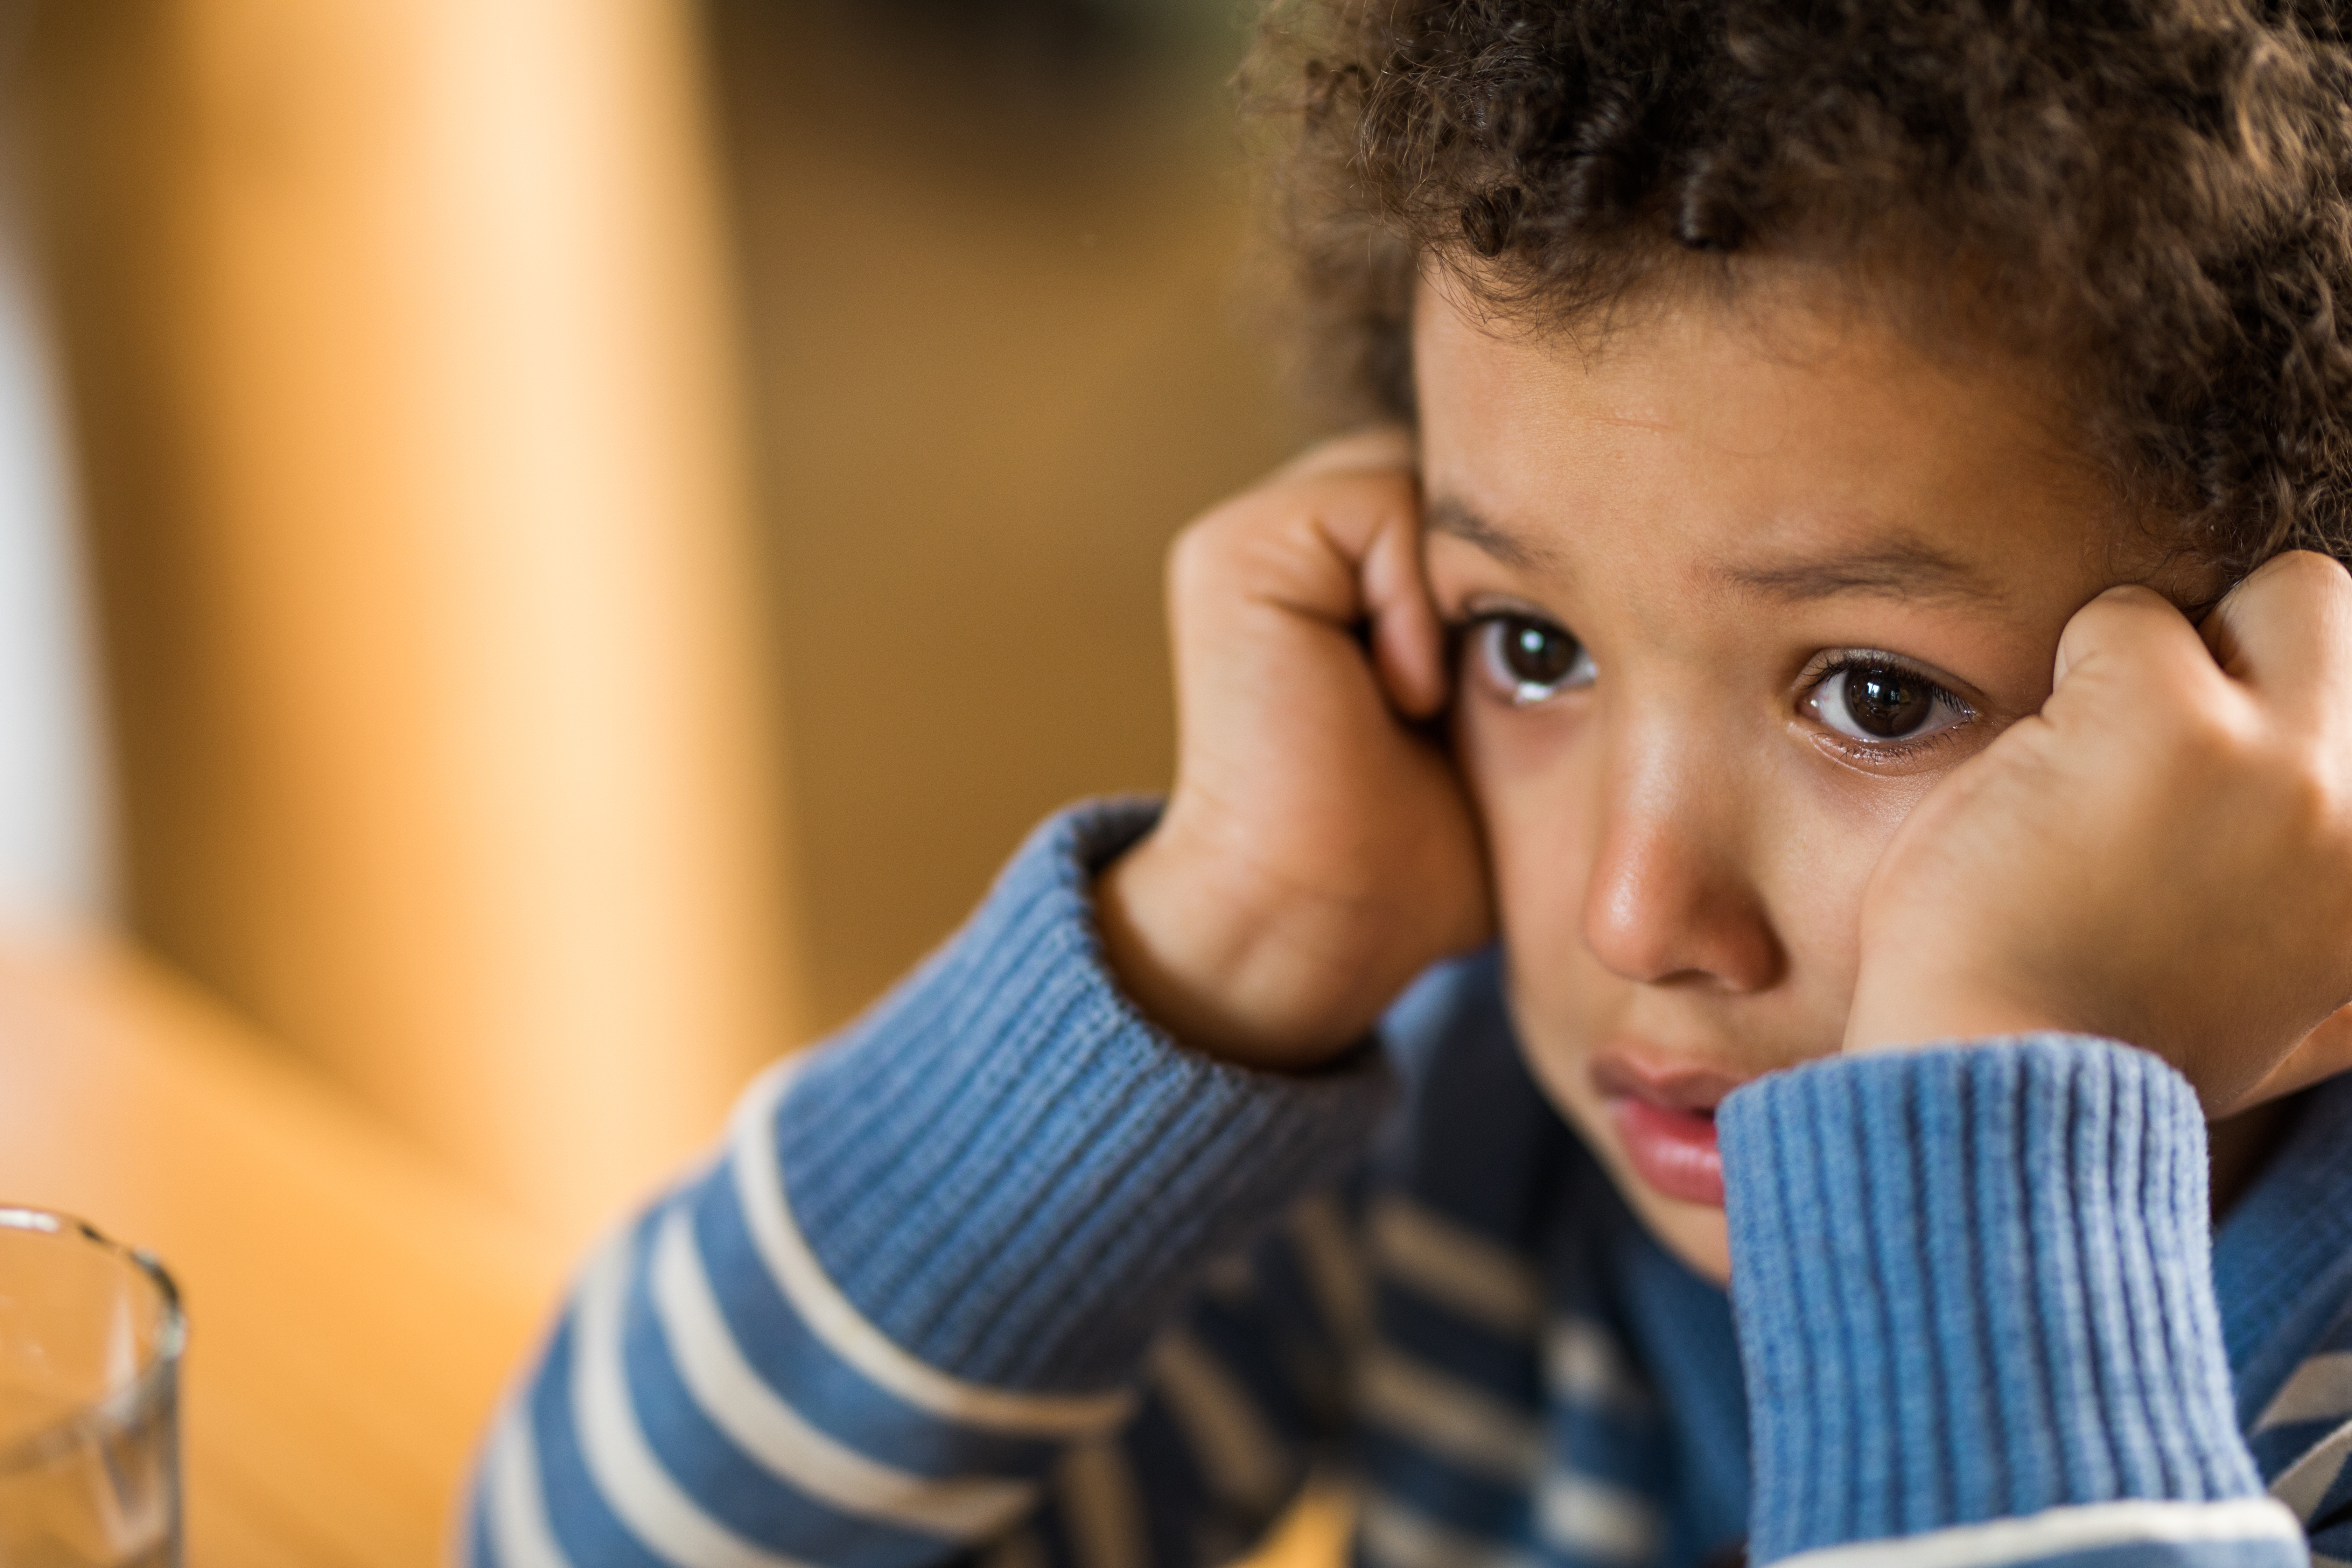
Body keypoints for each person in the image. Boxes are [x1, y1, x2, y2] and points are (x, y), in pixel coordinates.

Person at [465, 3, 2352, 1565]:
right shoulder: (1454, 1128)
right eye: (1531, 645)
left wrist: (1986, 1093)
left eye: (1876, 694)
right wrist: (1231, 932)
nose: (1630, 909)